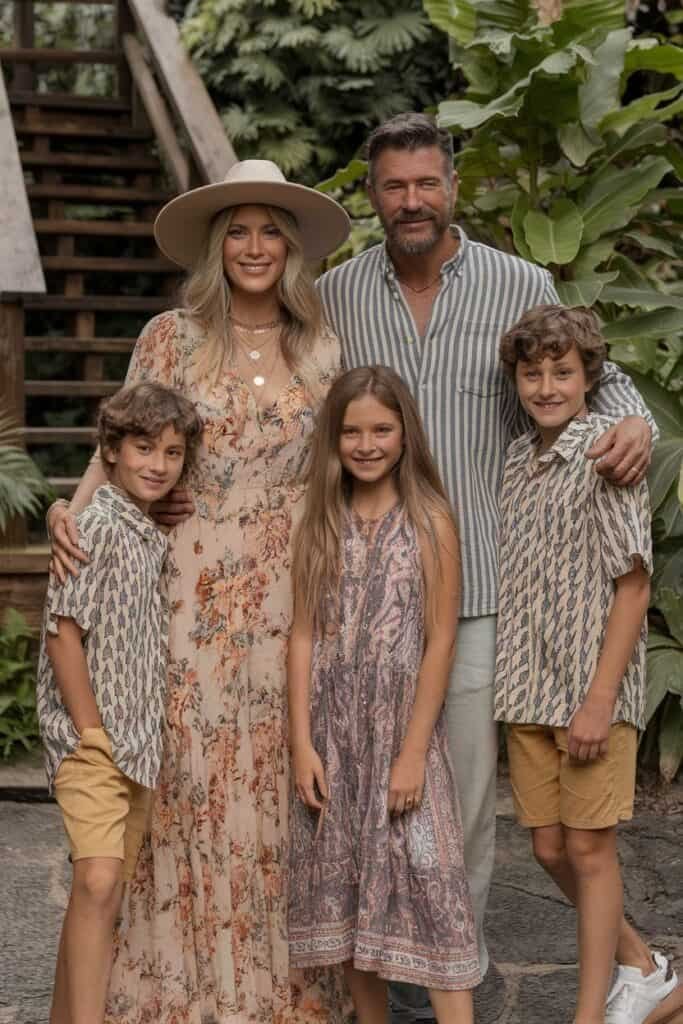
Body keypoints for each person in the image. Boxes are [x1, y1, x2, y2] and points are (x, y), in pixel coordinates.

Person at [317, 113, 657, 1006]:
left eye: (426, 182)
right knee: (362, 793)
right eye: (393, 187)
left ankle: (443, 989)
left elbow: (601, 377)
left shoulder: (518, 281)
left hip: (482, 598)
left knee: (457, 809)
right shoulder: (336, 295)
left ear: (454, 187)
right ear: (371, 195)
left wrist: (635, 424)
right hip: (368, 593)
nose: (411, 201)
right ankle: (378, 975)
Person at [45, 160, 352, 1024]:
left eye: (269, 232)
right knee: (178, 777)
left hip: (287, 594)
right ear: (218, 246)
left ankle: (271, 992)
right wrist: (73, 518)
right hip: (177, 590)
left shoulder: (324, 346)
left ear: (290, 249)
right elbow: (119, 437)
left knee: (269, 782)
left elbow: (347, 464)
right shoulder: (169, 338)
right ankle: (165, 987)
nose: (254, 247)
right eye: (238, 231)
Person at [495, 305, 682, 1024]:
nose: (546, 386)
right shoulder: (517, 460)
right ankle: (644, 967)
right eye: (532, 372)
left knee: (589, 850)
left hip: (586, 689)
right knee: (547, 849)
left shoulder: (607, 455)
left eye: (562, 372)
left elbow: (632, 586)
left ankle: (587, 1015)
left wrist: (599, 700)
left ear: (588, 379)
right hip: (527, 688)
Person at [288, 365, 481, 1024]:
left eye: (380, 429)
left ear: (404, 434)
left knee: (432, 901)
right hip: (334, 740)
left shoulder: (430, 520)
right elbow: (302, 636)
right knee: (347, 909)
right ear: (333, 439)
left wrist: (410, 753)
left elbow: (439, 642)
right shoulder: (321, 520)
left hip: (402, 736)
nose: (366, 444)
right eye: (351, 431)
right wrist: (300, 745)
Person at [37, 382, 202, 1024]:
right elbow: (62, 634)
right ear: (109, 450)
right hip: (94, 740)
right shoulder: (95, 527)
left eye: (170, 452)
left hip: (137, 746)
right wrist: (90, 734)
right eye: (142, 448)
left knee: (97, 893)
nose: (157, 465)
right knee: (100, 880)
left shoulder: (147, 531)